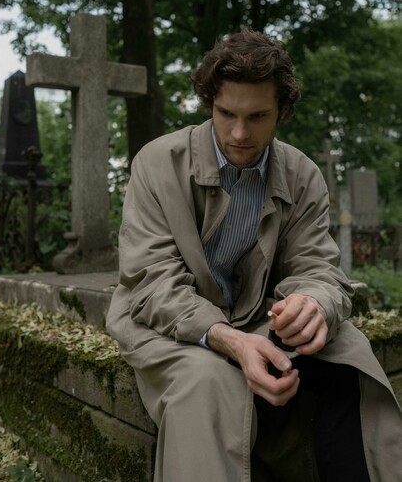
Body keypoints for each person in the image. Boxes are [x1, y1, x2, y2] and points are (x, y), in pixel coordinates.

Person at [107, 29, 402, 482]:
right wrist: (231, 339)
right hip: (167, 325)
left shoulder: (302, 174)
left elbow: (318, 268)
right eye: (226, 114)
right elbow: (151, 283)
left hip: (259, 318)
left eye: (258, 116)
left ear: (282, 112)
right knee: (209, 383)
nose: (239, 133)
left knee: (348, 352)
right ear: (209, 104)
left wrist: (314, 304)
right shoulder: (156, 163)